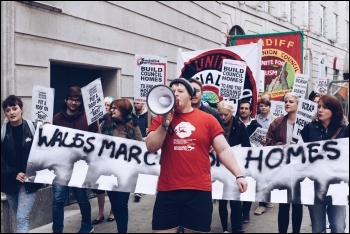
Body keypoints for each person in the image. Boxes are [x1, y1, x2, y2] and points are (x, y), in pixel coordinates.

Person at [145, 78, 247, 233]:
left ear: (190, 96)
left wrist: (238, 174)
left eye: (180, 91)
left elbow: (223, 150)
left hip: (198, 190)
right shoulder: (160, 118)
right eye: (172, 91)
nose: (175, 94)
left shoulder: (207, 119)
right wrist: (165, 123)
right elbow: (151, 146)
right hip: (168, 190)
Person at [52, 86, 97, 233]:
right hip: (61, 166)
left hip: (80, 166)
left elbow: (95, 141)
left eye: (77, 100)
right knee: (58, 200)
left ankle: (87, 225)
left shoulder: (88, 119)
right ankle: (57, 230)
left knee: (81, 197)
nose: (74, 103)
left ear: (80, 103)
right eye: (71, 99)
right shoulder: (56, 118)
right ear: (66, 100)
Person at [300, 94, 348, 233]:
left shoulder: (345, 129)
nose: (320, 110)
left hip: (338, 186)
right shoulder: (309, 128)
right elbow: (300, 155)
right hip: (315, 185)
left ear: (335, 110)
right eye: (319, 106)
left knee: (338, 227)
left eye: (325, 107)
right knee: (318, 228)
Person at [1, 95, 43, 233]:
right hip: (10, 181)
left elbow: (44, 152)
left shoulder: (33, 128)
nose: (11, 112)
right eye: (8, 110)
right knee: (19, 218)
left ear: (21, 109)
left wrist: (47, 130)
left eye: (14, 108)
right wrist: (13, 174)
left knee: (21, 218)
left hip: (29, 181)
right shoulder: (2, 132)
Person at [100, 98, 143, 233]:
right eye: (111, 107)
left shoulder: (133, 125)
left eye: (115, 108)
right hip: (109, 171)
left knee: (121, 204)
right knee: (115, 204)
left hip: (125, 173)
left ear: (123, 111)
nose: (111, 110)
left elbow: (139, 145)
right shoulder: (106, 123)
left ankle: (122, 231)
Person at [265, 92, 303, 233]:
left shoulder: (306, 123)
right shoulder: (277, 122)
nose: (287, 103)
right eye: (286, 101)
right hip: (282, 168)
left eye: (291, 102)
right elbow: (268, 142)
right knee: (283, 205)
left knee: (297, 204)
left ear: (298, 105)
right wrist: (282, 146)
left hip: (300, 169)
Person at [217, 100, 251, 233]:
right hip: (219, 166)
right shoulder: (216, 123)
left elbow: (246, 146)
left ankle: (236, 227)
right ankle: (225, 228)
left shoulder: (239, 125)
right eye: (221, 115)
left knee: (235, 200)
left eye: (226, 115)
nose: (223, 117)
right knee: (222, 199)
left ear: (231, 113)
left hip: (234, 165)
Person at [236, 100, 267, 218]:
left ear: (250, 111)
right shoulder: (233, 124)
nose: (243, 110)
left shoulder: (257, 126)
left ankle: (245, 212)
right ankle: (238, 213)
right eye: (241, 108)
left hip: (251, 162)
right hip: (237, 161)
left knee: (249, 187)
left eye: (246, 108)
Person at [91, 96, 115, 225]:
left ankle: (112, 212)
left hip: (111, 160)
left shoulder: (115, 122)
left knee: (111, 186)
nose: (106, 107)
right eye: (104, 105)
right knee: (100, 187)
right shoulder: (97, 122)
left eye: (108, 105)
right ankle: (100, 212)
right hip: (99, 159)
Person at [132, 101, 150, 202]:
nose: (136, 105)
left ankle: (139, 189)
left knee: (143, 167)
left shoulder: (149, 116)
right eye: (134, 103)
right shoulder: (132, 116)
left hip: (145, 143)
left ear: (142, 104)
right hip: (134, 145)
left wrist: (151, 130)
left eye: (138, 103)